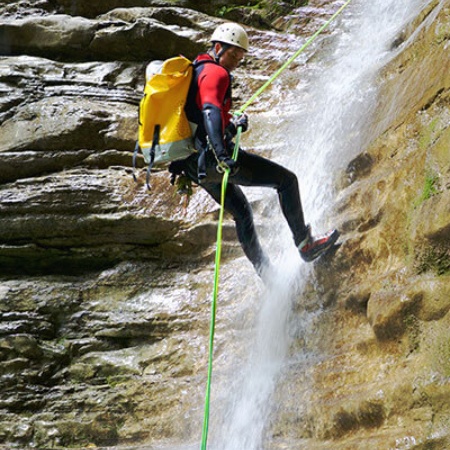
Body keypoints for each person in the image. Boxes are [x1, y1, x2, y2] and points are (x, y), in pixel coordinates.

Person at [169, 22, 339, 277]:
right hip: (214, 160)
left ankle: (267, 276)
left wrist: (232, 125)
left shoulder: (197, 71)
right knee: (286, 181)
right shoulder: (216, 73)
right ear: (218, 47)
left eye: (240, 57)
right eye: (233, 54)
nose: (236, 61)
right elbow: (209, 111)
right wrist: (222, 154)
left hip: (195, 166)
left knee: (241, 212)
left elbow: (203, 118)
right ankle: (306, 244)